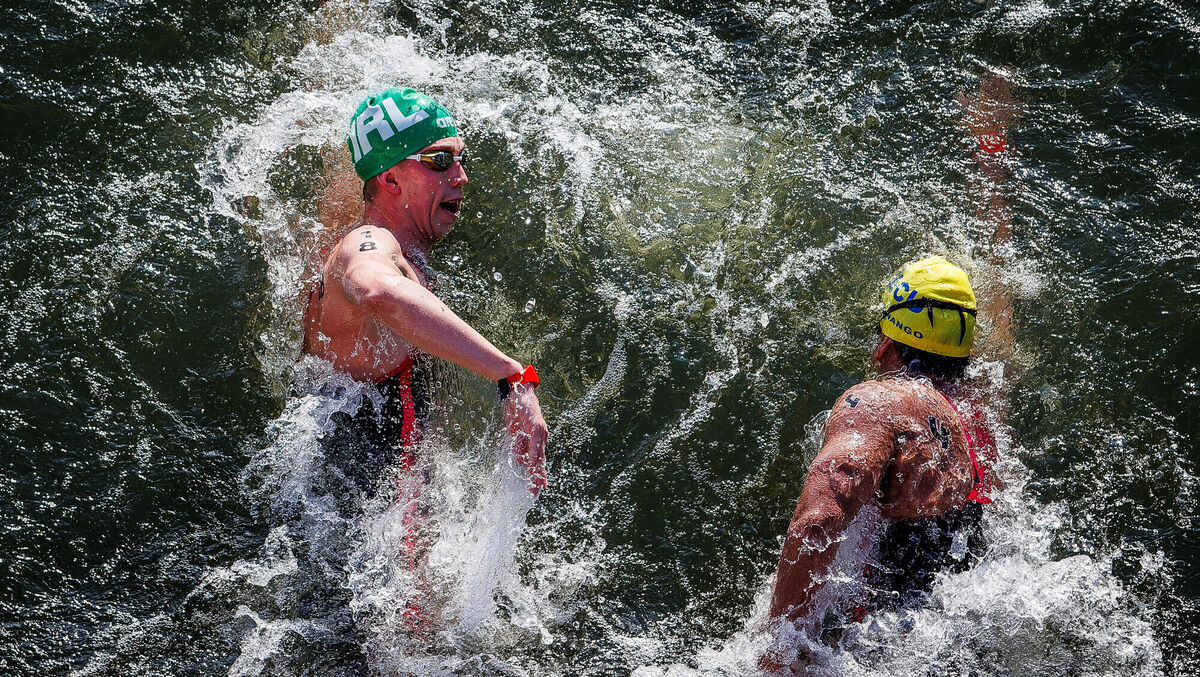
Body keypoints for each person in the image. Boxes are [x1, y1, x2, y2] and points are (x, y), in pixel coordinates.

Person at [302, 88, 549, 636]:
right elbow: (376, 290)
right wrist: (514, 375)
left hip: (352, 445)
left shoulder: (378, 233)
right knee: (404, 637)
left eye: (461, 158)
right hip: (374, 457)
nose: (460, 176)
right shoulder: (367, 243)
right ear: (390, 180)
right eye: (440, 161)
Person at [763, 257, 1002, 667]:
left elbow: (819, 520)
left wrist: (778, 656)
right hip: (960, 640)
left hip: (876, 648)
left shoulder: (877, 403)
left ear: (885, 344)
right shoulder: (978, 416)